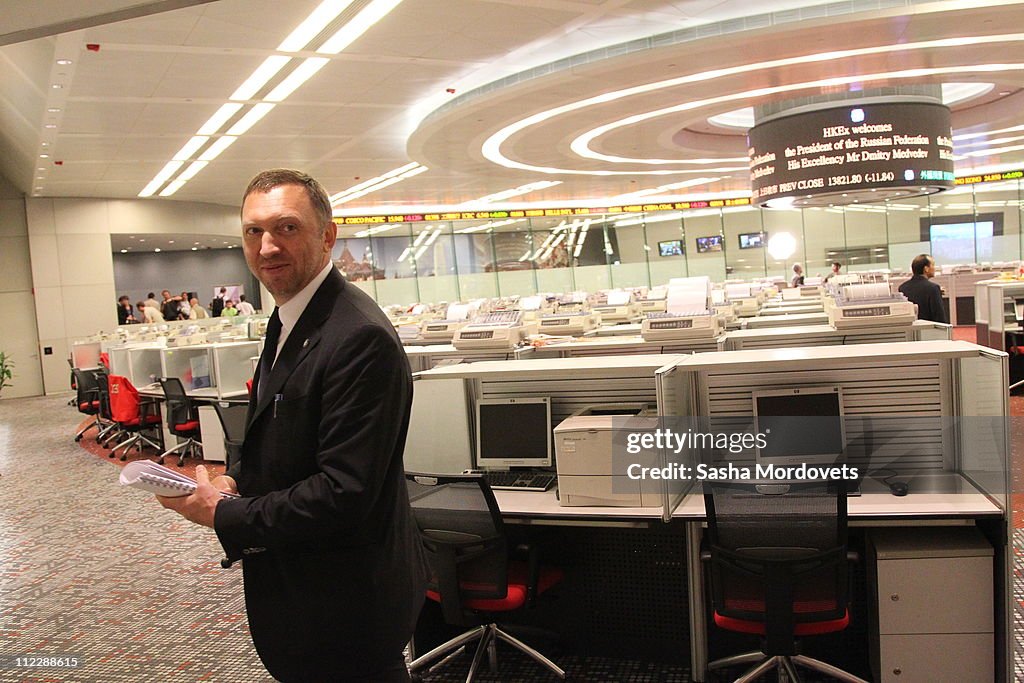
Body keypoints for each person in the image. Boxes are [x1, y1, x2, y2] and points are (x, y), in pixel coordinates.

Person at [157, 168, 427, 682]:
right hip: (302, 591)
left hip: (346, 604)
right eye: (253, 232)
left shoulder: (356, 336)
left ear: (327, 235)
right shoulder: (287, 318)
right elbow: (279, 428)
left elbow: (345, 492)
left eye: (286, 228)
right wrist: (236, 478)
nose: (267, 247)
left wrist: (224, 514)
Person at [898, 254, 947, 323]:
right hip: (929, 330)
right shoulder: (933, 288)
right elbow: (939, 317)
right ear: (926, 269)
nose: (934, 268)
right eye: (933, 265)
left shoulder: (902, 288)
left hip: (910, 331)